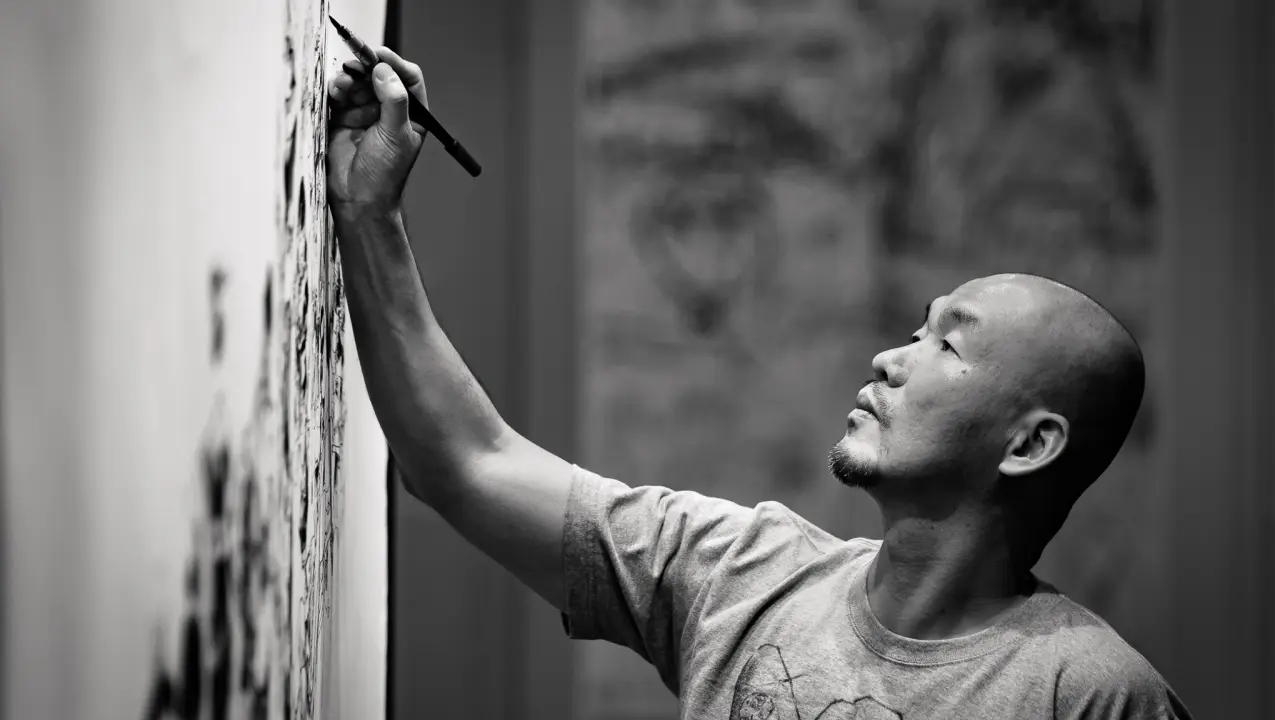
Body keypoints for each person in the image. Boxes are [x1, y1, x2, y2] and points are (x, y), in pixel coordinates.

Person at [327, 49, 1194, 720]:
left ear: (1031, 444)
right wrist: (369, 215)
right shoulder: (742, 573)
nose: (890, 360)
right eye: (914, 331)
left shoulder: (1092, 694)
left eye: (948, 346)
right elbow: (467, 462)